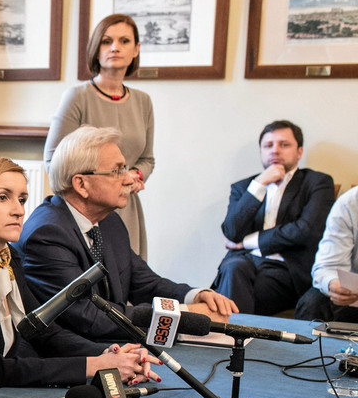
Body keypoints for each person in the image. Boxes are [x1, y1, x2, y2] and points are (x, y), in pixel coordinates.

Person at [0, 156, 159, 394]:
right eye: (3, 197)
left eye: (22, 199)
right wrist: (94, 366)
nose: (18, 210)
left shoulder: (8, 256)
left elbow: (43, 332)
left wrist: (110, 355)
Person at [19, 126, 238, 342]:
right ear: (81, 184)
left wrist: (195, 295)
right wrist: (184, 314)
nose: (129, 179)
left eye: (126, 168)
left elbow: (144, 283)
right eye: (117, 171)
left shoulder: (109, 221)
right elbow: (89, 317)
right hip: (71, 357)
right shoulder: (47, 234)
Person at [44, 13, 153, 258]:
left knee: (129, 283)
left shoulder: (144, 101)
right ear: (95, 49)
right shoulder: (77, 97)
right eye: (106, 41)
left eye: (124, 41)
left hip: (127, 206)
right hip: (85, 211)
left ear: (136, 49)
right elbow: (53, 163)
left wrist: (133, 175)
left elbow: (147, 159)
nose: (115, 47)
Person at [213, 120, 335, 315]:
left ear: (299, 152)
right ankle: (238, 337)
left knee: (236, 290)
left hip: (286, 269)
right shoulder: (244, 187)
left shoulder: (317, 182)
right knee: (233, 267)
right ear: (261, 151)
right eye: (268, 146)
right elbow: (231, 232)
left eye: (284, 144)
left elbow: (305, 230)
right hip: (243, 265)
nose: (275, 151)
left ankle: (233, 337)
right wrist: (260, 183)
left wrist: (248, 242)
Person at [296, 186, 358, 321]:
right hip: (355, 293)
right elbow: (327, 266)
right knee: (312, 304)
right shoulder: (349, 203)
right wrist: (333, 284)